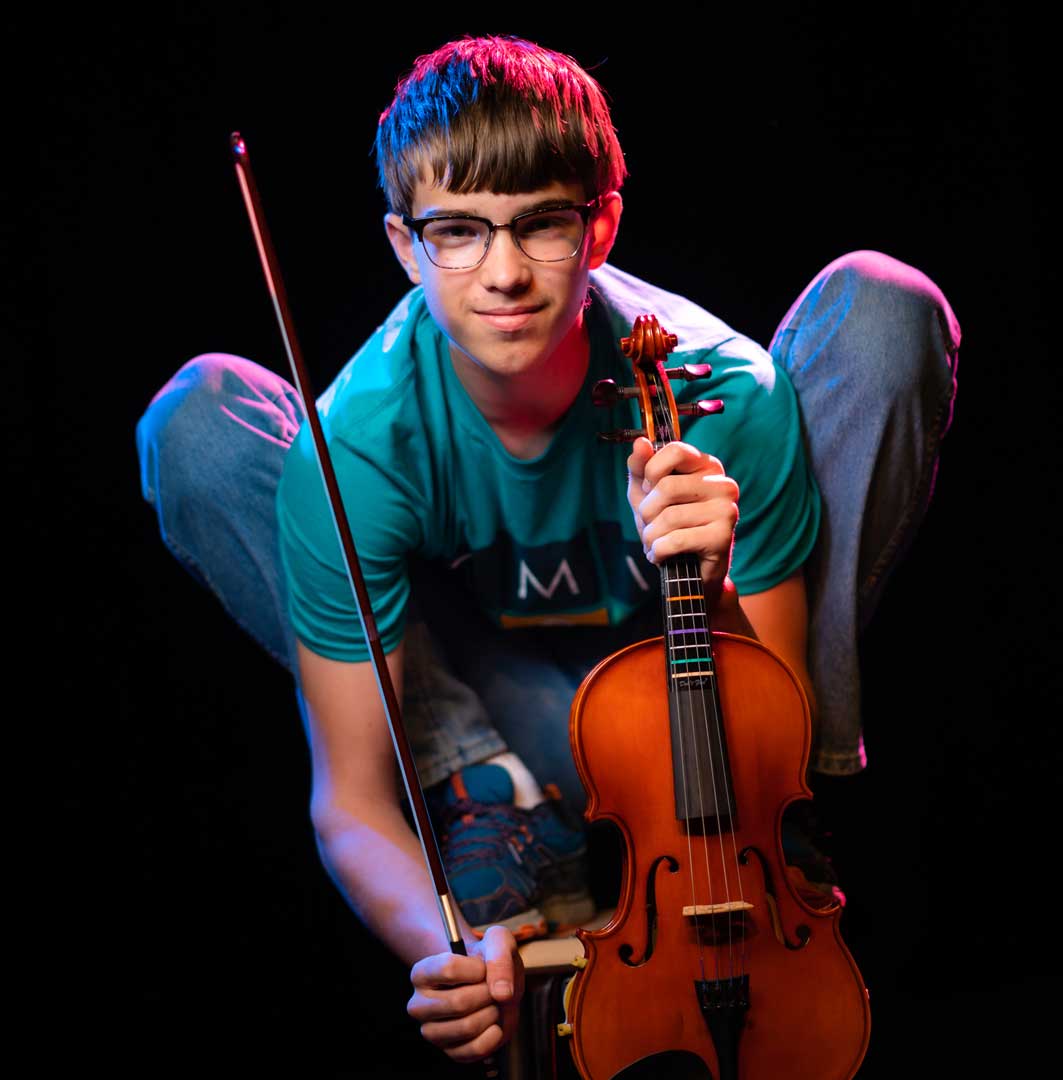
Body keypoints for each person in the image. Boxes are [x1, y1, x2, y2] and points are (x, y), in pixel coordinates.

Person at [136, 35, 960, 1066]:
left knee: (883, 303)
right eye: (461, 233)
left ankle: (747, 857)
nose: (506, 273)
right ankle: (499, 803)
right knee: (201, 417)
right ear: (405, 244)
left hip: (686, 714)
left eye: (541, 226)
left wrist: (719, 597)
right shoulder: (359, 440)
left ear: (601, 224)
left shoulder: (720, 392)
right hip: (509, 705)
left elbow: (774, 715)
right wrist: (440, 949)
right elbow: (347, 799)